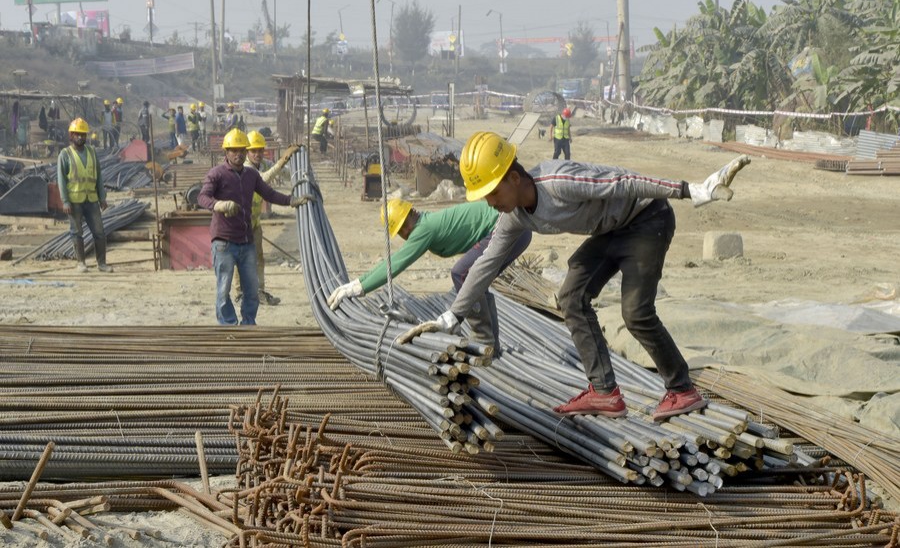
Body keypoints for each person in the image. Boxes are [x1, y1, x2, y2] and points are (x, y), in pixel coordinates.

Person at [400, 131, 751, 422]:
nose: (490, 202)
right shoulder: (514, 216)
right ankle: (605, 393)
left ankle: (681, 390)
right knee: (571, 296)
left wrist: (691, 190)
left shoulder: (558, 181)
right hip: (610, 232)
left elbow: (624, 181)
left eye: (492, 192)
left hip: (647, 221)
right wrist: (452, 315)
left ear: (514, 177)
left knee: (635, 313)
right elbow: (486, 264)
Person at [328, 199, 532, 347]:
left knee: (461, 273)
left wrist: (359, 288)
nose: (403, 236)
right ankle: (491, 344)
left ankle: (484, 340)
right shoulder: (425, 223)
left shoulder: (423, 229)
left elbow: (396, 264)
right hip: (515, 229)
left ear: (404, 226)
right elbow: (393, 262)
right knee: (476, 282)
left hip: (509, 230)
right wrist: (358, 281)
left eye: (400, 231)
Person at [197, 128, 312, 326]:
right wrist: (219, 205)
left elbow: (270, 194)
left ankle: (248, 323)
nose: (238, 154)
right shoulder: (217, 174)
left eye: (242, 150)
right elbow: (202, 197)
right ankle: (228, 325)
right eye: (234, 150)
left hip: (246, 241)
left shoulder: (251, 175)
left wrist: (292, 201)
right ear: (226, 152)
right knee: (224, 288)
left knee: (251, 289)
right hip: (224, 242)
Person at [234, 131, 300, 307]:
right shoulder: (245, 168)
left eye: (260, 150)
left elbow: (284, 174)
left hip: (254, 221)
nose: (257, 154)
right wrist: (282, 160)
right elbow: (264, 179)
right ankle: (240, 292)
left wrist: (299, 174)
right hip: (240, 222)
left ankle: (259, 291)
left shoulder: (263, 164)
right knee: (240, 258)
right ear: (247, 152)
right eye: (253, 151)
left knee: (258, 258)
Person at [57, 118, 113, 273]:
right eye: (77, 134)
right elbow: (61, 180)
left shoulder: (92, 152)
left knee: (99, 232)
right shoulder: (65, 155)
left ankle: (102, 263)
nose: (81, 137)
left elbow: (99, 176)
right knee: (77, 232)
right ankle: (81, 263)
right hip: (74, 202)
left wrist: (102, 198)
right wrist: (65, 201)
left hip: (92, 201)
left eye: (83, 134)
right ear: (71, 135)